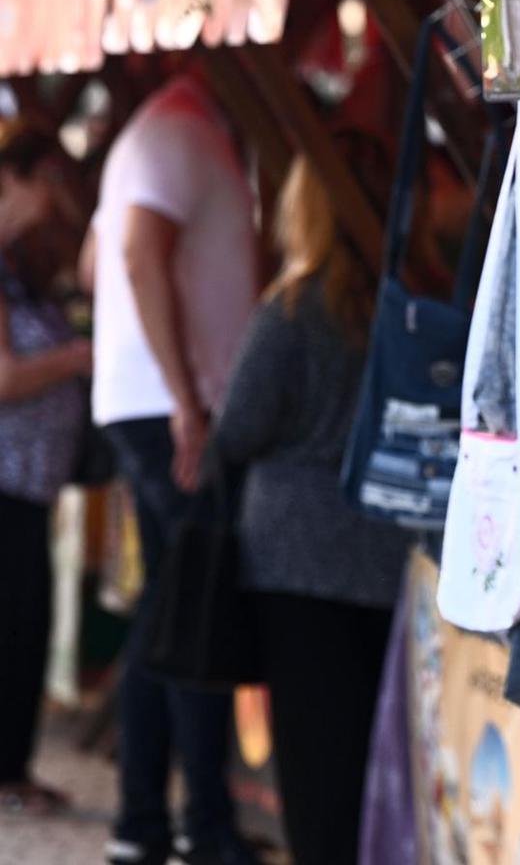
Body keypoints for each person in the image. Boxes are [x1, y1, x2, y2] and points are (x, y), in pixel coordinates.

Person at [214, 148, 412, 865]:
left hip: (294, 556)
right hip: (384, 553)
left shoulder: (291, 310)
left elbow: (238, 426)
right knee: (367, 745)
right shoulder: (404, 305)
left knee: (310, 751)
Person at [89, 74, 258, 865]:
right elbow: (128, 253)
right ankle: (199, 825)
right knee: (191, 613)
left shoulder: (160, 133)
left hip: (153, 402)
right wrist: (187, 399)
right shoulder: (176, 130)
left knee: (170, 611)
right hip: (170, 409)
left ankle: (149, 821)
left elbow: (101, 262)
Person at [0, 121, 92, 816]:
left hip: (28, 483)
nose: (61, 194)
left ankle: (13, 767)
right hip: (6, 482)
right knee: (14, 623)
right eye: (52, 177)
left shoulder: (20, 265)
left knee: (24, 623)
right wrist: (80, 358)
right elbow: (3, 379)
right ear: (21, 178)